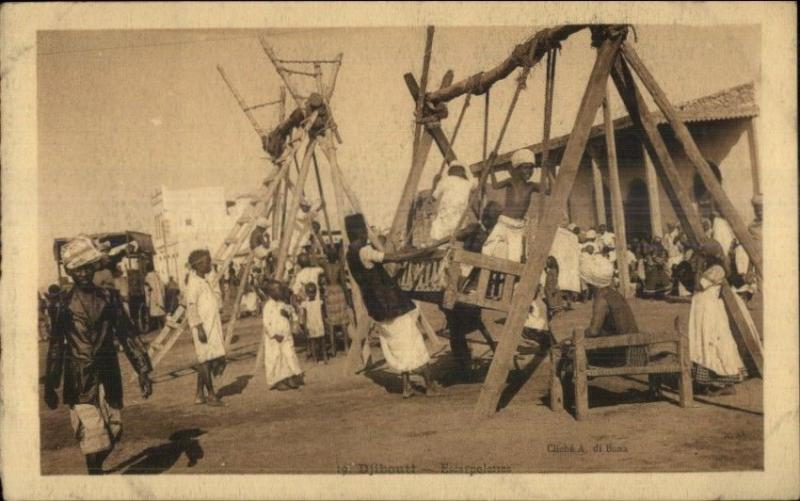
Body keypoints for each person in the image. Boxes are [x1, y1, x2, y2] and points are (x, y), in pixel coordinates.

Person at [43, 235, 153, 474]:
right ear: (70, 272)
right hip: (80, 378)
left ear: (94, 266)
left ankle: (95, 468)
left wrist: (143, 370)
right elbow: (56, 346)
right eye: (77, 269)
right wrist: (51, 384)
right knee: (94, 435)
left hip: (109, 374)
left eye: (87, 267)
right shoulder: (63, 303)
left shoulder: (109, 297)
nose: (83, 273)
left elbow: (127, 334)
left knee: (114, 430)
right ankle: (94, 475)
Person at [345, 213, 440, 398]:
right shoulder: (364, 251)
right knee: (412, 340)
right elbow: (392, 259)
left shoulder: (350, 254)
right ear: (359, 231)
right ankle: (429, 385)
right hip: (390, 303)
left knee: (396, 344)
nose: (367, 233)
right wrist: (419, 253)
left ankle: (407, 387)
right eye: (364, 230)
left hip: (376, 306)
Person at [688, 244, 756, 396]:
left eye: (703, 254)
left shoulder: (717, 269)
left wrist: (698, 266)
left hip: (710, 312)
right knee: (702, 342)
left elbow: (699, 285)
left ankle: (726, 383)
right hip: (702, 311)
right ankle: (707, 381)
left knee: (713, 341)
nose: (701, 257)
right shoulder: (710, 269)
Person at [579, 254, 646, 367]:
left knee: (570, 354)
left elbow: (594, 331)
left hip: (619, 353)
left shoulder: (601, 298)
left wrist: (580, 335)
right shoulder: (613, 293)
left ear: (589, 282)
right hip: (632, 348)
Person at [185, 249, 227, 407]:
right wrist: (199, 327)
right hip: (202, 326)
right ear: (198, 265)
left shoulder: (205, 279)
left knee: (207, 358)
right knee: (204, 360)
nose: (210, 265)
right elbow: (191, 306)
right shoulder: (193, 282)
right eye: (207, 262)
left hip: (211, 324)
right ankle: (211, 395)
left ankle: (199, 394)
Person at [482, 149, 540, 263]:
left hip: (517, 228)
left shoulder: (531, 186)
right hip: (504, 223)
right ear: (517, 169)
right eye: (525, 167)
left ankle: (509, 280)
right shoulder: (511, 181)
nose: (529, 171)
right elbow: (495, 185)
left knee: (514, 259)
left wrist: (548, 170)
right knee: (487, 250)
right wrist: (491, 165)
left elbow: (551, 190)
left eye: (531, 168)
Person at [261, 280, 304, 390]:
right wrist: (274, 335)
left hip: (285, 335)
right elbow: (266, 323)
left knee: (288, 355)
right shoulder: (268, 306)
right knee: (275, 357)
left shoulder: (283, 304)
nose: (280, 292)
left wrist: (288, 315)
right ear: (271, 293)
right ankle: (276, 380)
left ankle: (289, 376)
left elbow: (293, 314)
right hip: (275, 338)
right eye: (277, 290)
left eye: (280, 289)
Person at [429, 162, 477, 241]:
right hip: (459, 216)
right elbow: (475, 185)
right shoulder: (468, 183)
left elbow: (433, 197)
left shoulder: (445, 180)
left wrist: (434, 183)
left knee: (440, 236)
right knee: (455, 235)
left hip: (445, 215)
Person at [301, 282, 327, 363]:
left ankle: (325, 357)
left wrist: (324, 322)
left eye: (313, 292)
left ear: (316, 292)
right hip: (311, 324)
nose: (312, 294)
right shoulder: (305, 304)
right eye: (310, 292)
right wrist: (305, 325)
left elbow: (322, 313)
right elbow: (304, 315)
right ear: (307, 293)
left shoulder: (319, 302)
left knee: (322, 341)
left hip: (319, 323)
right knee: (313, 341)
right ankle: (315, 358)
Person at [145, 265, 166, 331]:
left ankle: (159, 326)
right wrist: (162, 294)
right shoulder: (157, 275)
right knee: (161, 310)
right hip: (159, 295)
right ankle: (164, 325)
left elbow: (147, 288)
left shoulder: (147, 277)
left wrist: (147, 299)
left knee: (155, 312)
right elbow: (162, 285)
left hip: (153, 296)